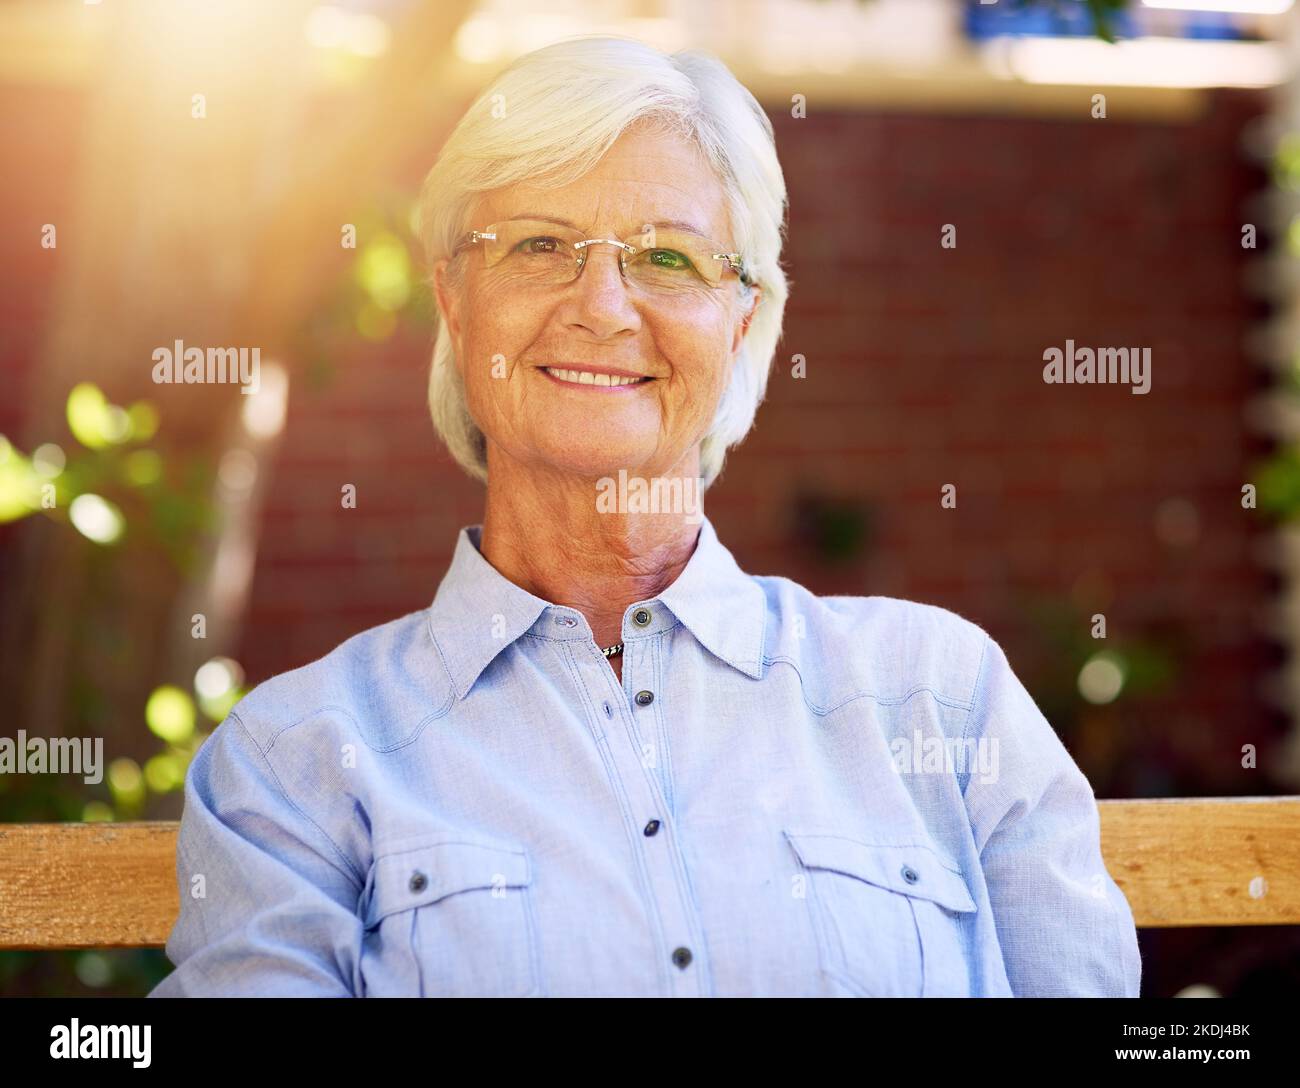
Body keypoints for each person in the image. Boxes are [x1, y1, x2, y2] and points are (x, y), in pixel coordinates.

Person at [150, 35, 1141, 997]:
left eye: (667, 257)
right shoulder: (297, 760)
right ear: (453, 300)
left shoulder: (941, 699)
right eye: (539, 245)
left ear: (741, 321)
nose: (602, 306)